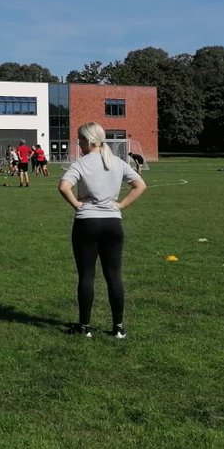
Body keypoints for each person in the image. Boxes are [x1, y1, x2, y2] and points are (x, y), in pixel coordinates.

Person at [58, 122, 147, 339]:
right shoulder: (116, 162)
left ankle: (85, 327)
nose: (79, 145)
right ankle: (118, 328)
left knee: (86, 275)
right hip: (112, 224)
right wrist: (121, 205)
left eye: (80, 141)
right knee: (114, 275)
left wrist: (78, 205)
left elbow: (63, 186)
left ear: (88, 141)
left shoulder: (81, 163)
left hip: (87, 223)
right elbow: (140, 185)